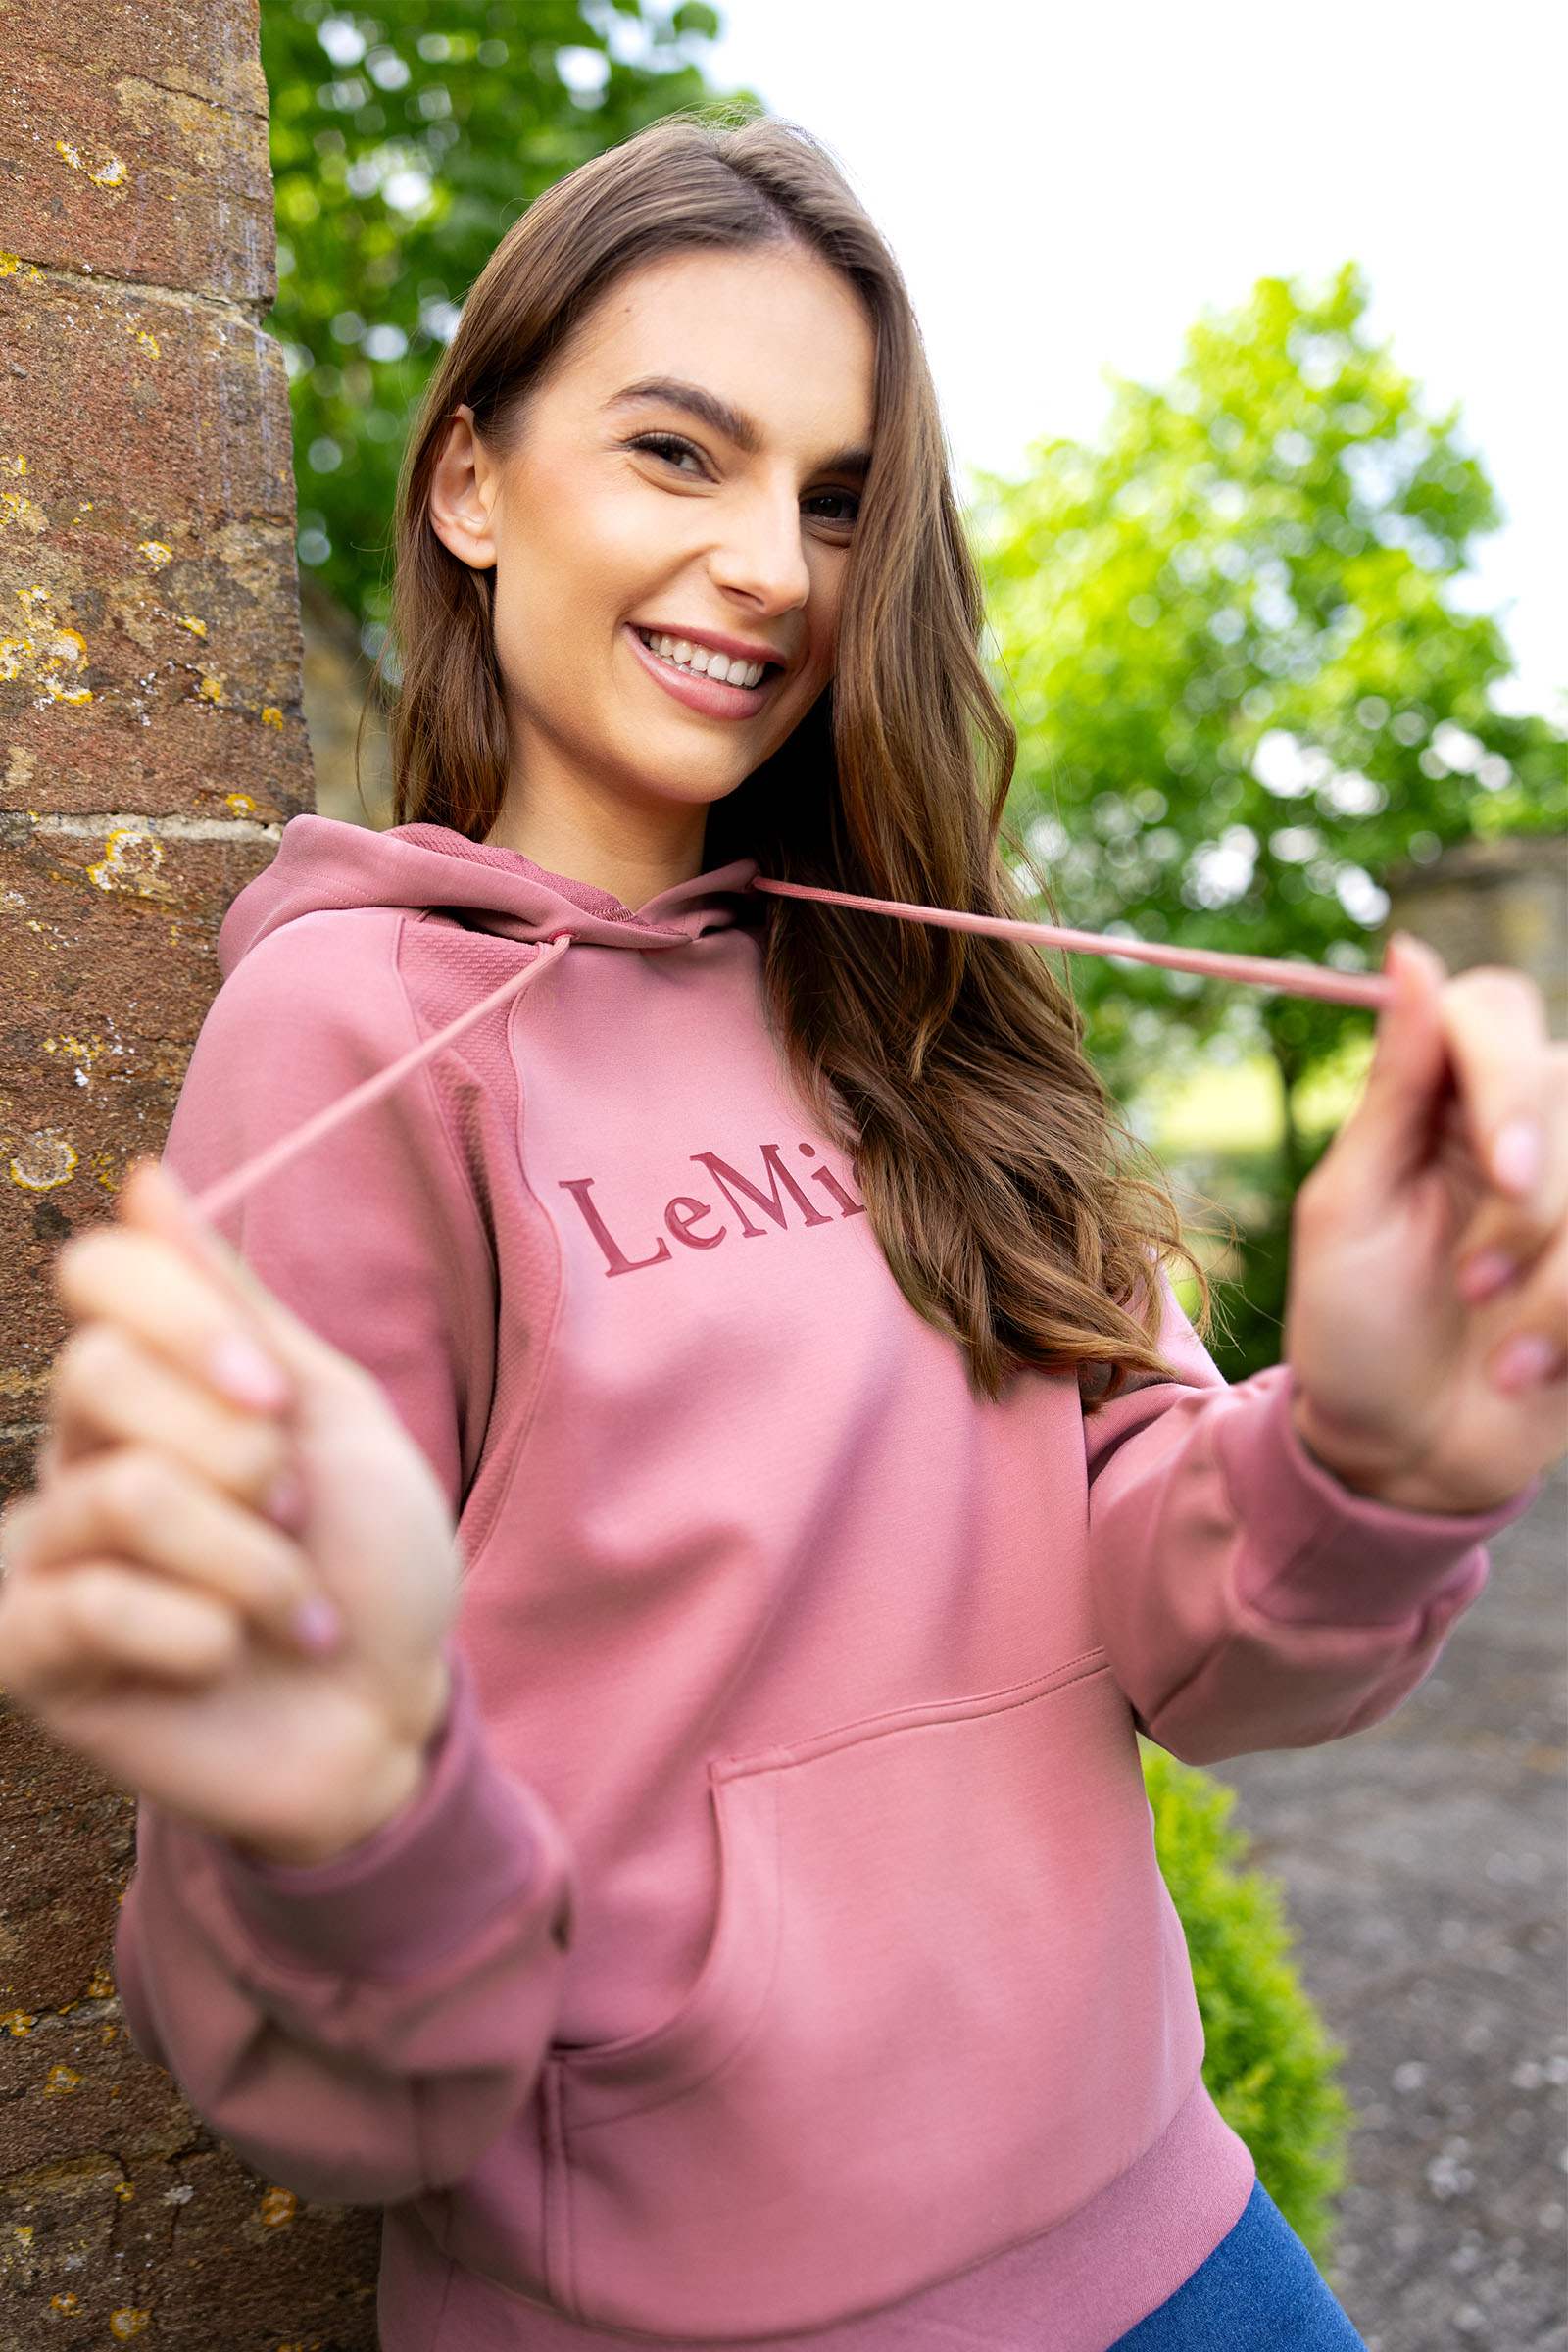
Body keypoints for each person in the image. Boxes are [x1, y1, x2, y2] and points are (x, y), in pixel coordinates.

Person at [0, 117, 1563, 2352]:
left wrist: (1372, 1464)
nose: (767, 563)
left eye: (834, 499)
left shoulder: (922, 979)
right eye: (674, 451)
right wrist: (347, 1813)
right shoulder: (350, 1029)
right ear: (469, 480)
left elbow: (1187, 1624)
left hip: (1176, 2244)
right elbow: (337, 2058)